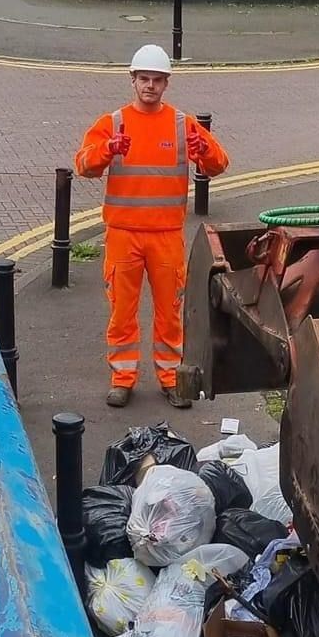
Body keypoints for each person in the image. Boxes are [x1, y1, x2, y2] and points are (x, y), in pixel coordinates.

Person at [75, 44, 229, 409]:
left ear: (166, 84)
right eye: (144, 79)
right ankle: (122, 379)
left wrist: (203, 150)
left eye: (157, 80)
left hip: (165, 236)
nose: (150, 86)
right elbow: (84, 165)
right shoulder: (112, 124)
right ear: (133, 81)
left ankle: (171, 379)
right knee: (122, 312)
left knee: (169, 314)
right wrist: (107, 149)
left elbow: (219, 163)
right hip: (123, 235)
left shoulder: (181, 124)